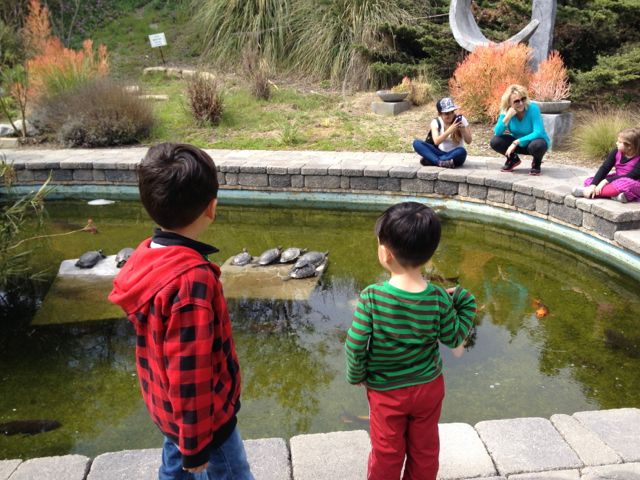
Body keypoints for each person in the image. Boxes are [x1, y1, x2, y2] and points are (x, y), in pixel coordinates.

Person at [109, 143, 254, 480]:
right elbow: (190, 372)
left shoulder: (147, 256)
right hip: (207, 422)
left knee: (174, 470)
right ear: (211, 207)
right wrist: (195, 445)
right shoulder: (191, 283)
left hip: (168, 409)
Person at [344, 202, 477, 480]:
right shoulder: (438, 298)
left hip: (386, 391)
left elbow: (355, 345)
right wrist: (465, 301)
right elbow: (454, 338)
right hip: (428, 388)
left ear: (385, 253)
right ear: (430, 254)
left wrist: (356, 375)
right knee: (425, 449)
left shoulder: (371, 297)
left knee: (387, 451)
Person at [490, 84, 550, 176]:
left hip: (533, 144)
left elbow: (538, 132)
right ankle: (512, 159)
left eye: (523, 99)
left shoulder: (533, 108)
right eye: (516, 101)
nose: (521, 103)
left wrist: (516, 142)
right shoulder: (506, 111)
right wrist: (507, 117)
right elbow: (497, 132)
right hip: (519, 145)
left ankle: (537, 162)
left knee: (538, 145)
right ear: (509, 103)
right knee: (495, 141)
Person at [572, 127, 640, 203]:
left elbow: (632, 176)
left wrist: (605, 181)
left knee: (627, 184)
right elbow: (604, 168)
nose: (616, 143)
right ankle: (616, 195)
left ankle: (586, 191)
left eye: (620, 142)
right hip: (616, 179)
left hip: (633, 182)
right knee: (590, 181)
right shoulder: (616, 152)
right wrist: (593, 185)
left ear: (630, 146)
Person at [413, 97, 473, 169]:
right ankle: (440, 162)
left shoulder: (461, 120)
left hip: (455, 154)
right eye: (447, 113)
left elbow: (469, 141)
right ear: (440, 114)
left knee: (462, 151)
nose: (450, 115)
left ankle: (433, 160)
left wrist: (463, 129)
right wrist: (449, 131)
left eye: (452, 112)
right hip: (440, 152)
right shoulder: (435, 122)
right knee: (416, 143)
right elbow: (436, 141)